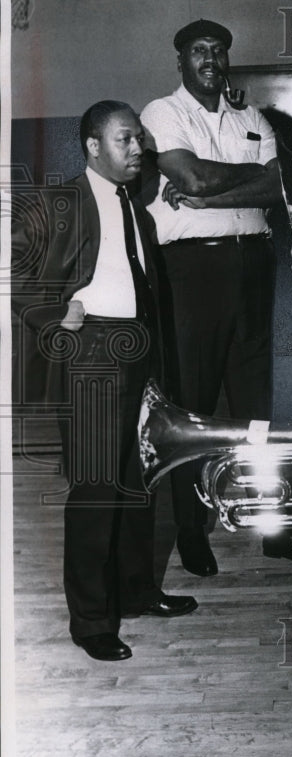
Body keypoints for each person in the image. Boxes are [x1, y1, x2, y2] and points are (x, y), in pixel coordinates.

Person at [140, 19, 292, 575]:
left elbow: (281, 185)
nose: (211, 59)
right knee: (192, 407)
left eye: (219, 50)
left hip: (253, 264)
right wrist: (250, 176)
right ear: (181, 61)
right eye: (199, 51)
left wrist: (240, 181)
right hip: (192, 271)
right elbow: (192, 179)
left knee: (258, 409)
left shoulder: (250, 116)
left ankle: (274, 527)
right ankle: (190, 530)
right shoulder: (163, 113)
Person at [11, 100, 197, 662]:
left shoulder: (137, 212)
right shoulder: (61, 201)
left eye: (139, 138)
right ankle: (91, 620)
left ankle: (137, 592)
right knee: (95, 490)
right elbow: (13, 268)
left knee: (140, 481)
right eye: (126, 139)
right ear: (93, 146)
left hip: (140, 357)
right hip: (92, 352)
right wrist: (52, 315)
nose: (138, 148)